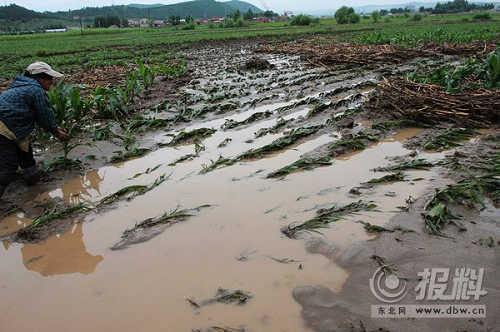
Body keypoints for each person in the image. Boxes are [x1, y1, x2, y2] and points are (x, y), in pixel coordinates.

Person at [0, 62, 69, 199]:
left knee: (26, 155)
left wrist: (54, 128)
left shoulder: (20, 87)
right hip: (4, 129)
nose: (52, 82)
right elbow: (44, 115)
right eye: (49, 78)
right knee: (8, 167)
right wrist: (56, 132)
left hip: (14, 128)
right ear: (40, 78)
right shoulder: (35, 90)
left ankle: (33, 182)